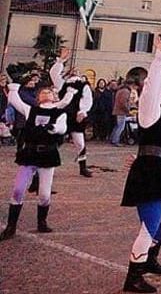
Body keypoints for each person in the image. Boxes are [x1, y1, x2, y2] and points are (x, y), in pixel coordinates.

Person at [120, 36, 161, 293]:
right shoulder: (150, 108)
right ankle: (133, 276)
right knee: (149, 224)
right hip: (151, 174)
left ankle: (151, 257)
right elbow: (153, 87)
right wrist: (159, 58)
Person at [0, 76, 76, 241]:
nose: (46, 93)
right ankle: (11, 226)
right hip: (29, 153)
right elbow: (15, 100)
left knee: (44, 195)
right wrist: (13, 87)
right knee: (18, 189)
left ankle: (42, 221)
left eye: (49, 91)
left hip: (48, 155)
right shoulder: (30, 110)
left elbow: (62, 128)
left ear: (54, 96)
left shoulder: (59, 112)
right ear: (38, 97)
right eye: (43, 92)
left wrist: (54, 128)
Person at [49, 49, 94, 177]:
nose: (74, 72)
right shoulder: (62, 84)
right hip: (62, 116)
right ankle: (48, 164)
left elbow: (87, 99)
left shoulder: (84, 85)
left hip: (75, 117)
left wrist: (83, 112)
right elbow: (53, 73)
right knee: (56, 141)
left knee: (80, 143)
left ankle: (83, 167)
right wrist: (61, 60)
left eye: (77, 71)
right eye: (72, 71)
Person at [112, 80, 133, 145]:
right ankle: (116, 140)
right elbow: (123, 102)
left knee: (117, 126)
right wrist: (127, 110)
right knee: (121, 127)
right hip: (121, 111)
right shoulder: (125, 91)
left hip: (118, 110)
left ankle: (113, 138)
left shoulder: (120, 90)